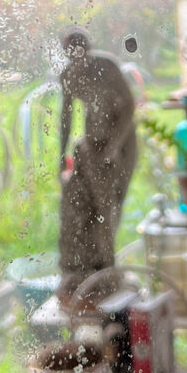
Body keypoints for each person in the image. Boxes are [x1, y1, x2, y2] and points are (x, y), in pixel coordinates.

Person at [57, 28, 138, 295]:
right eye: (71, 51)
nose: (77, 55)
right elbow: (66, 116)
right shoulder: (69, 76)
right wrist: (62, 154)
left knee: (110, 205)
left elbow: (129, 105)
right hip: (94, 142)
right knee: (87, 203)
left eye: (81, 48)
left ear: (88, 47)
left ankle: (107, 270)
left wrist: (113, 146)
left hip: (121, 142)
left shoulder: (107, 67)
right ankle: (88, 268)